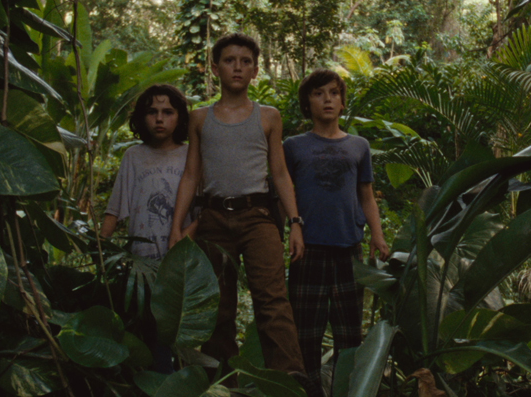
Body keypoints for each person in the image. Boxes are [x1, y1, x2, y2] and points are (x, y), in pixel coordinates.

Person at [169, 33, 311, 390]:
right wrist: (176, 228)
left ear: (255, 70)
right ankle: (222, 382)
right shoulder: (200, 118)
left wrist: (295, 222)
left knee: (272, 298)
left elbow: (280, 173)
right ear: (215, 68)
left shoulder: (268, 117)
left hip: (258, 217)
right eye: (230, 60)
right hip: (213, 218)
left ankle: (289, 380)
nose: (238, 67)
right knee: (218, 304)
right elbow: (191, 175)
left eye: (246, 61)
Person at [283, 69, 390, 395]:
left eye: (333, 93)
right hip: (308, 250)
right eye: (318, 94)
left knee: (349, 333)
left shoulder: (359, 146)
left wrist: (377, 235)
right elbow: (283, 193)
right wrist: (288, 229)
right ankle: (309, 391)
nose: (327, 99)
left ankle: (346, 390)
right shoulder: (294, 146)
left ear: (343, 102)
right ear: (307, 103)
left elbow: (366, 195)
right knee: (306, 333)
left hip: (348, 249)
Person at [102, 83, 197, 373]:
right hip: (139, 268)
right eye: (152, 112)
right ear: (141, 118)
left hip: (179, 266)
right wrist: (99, 249)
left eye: (168, 112)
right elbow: (114, 210)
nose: (159, 119)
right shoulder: (134, 156)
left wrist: (183, 239)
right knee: (143, 336)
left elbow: (204, 213)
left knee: (172, 338)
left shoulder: (191, 155)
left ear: (180, 117)